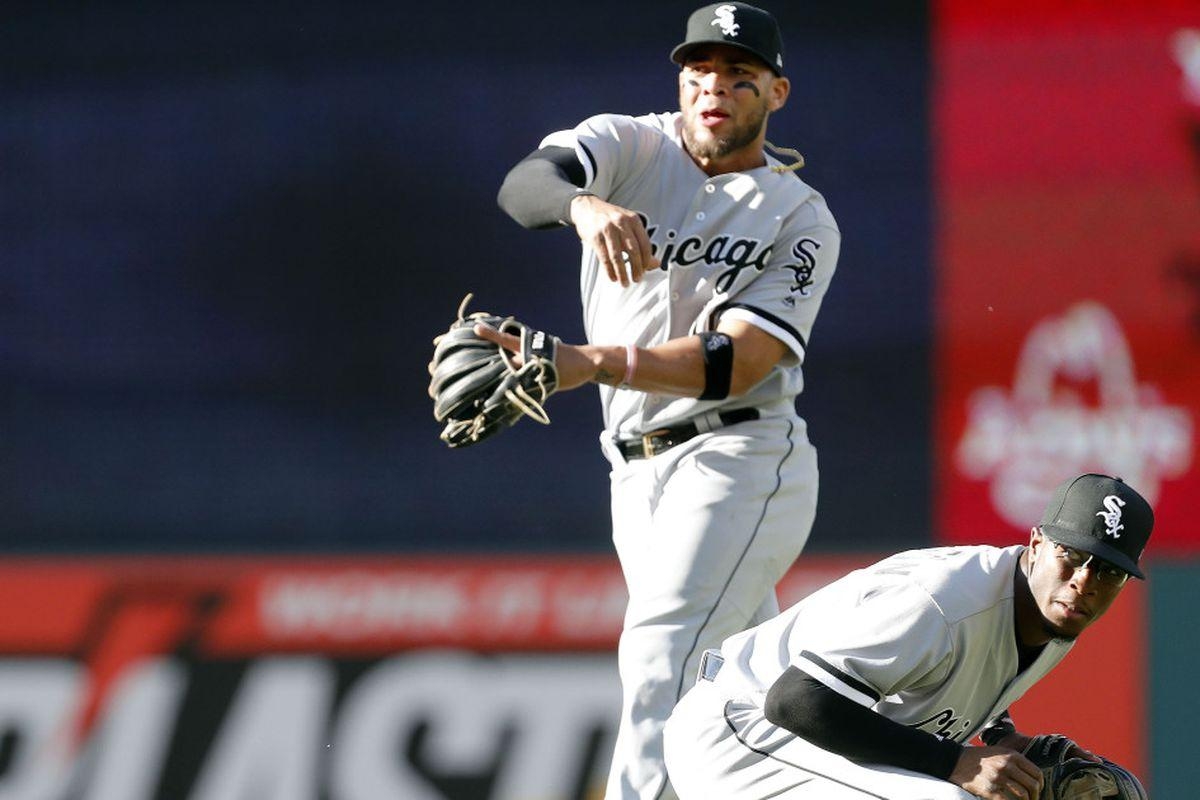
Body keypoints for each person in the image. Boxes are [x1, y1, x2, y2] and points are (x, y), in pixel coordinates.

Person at [487, 3, 840, 797]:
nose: (715, 88)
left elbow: (737, 363)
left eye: (738, 75)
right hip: (635, 469)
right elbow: (523, 186)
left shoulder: (801, 217)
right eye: (700, 72)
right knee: (746, 700)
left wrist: (588, 363)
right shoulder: (630, 145)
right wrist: (583, 205)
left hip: (742, 454)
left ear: (775, 94)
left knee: (659, 657)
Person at [661, 473, 1155, 799]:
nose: (1084, 581)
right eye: (1071, 555)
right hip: (738, 732)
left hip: (798, 738)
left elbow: (970, 665)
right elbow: (796, 701)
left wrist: (1002, 738)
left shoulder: (1056, 610)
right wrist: (954, 760)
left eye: (1108, 571)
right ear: (1036, 544)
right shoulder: (943, 600)